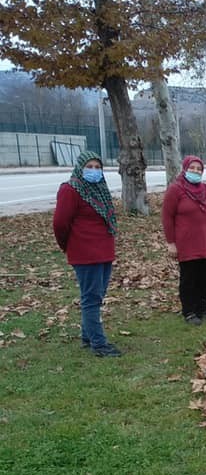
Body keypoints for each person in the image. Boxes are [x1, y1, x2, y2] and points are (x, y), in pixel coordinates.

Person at [52, 150, 121, 357]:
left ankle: (87, 335)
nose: (94, 171)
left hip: (104, 251)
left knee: (97, 296)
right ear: (80, 168)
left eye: (97, 167)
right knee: (91, 298)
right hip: (85, 253)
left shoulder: (99, 188)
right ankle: (99, 344)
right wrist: (69, 246)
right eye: (89, 167)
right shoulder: (70, 189)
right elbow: (60, 223)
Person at [162, 155, 206, 325]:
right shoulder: (176, 190)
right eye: (192, 168)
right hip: (187, 243)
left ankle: (202, 309)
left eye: (199, 169)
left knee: (205, 277)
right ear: (185, 169)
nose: (195, 171)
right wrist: (170, 242)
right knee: (189, 278)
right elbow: (167, 217)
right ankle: (189, 311)